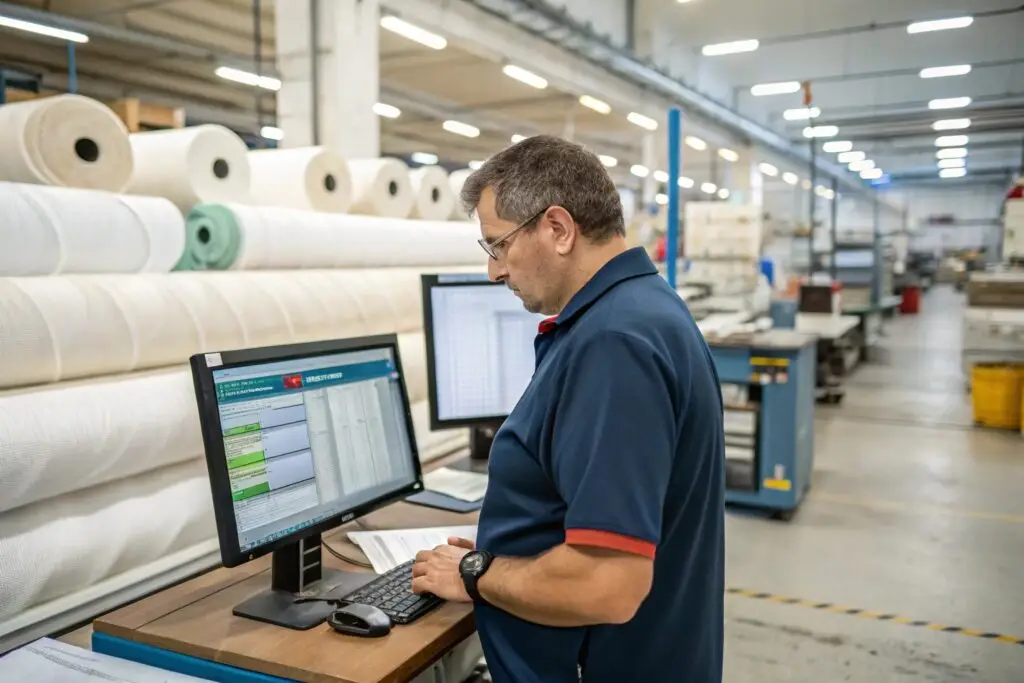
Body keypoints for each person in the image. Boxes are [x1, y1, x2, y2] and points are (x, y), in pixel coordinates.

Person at [412, 135, 725, 683]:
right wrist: (503, 556)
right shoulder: (642, 310)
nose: (494, 271)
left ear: (557, 229)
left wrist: (477, 572)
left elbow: (607, 586)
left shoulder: (614, 344)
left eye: (497, 246)